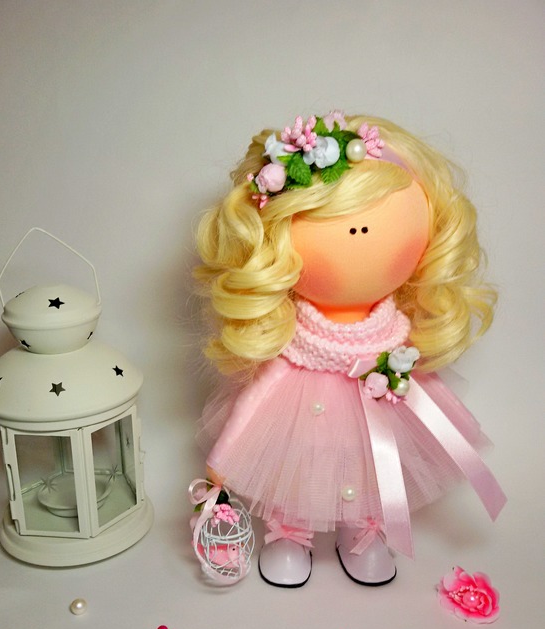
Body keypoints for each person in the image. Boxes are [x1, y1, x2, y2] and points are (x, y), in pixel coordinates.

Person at [195, 111, 505, 588]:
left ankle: (362, 530)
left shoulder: (395, 339)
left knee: (370, 468)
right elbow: (261, 393)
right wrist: (227, 452)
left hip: (377, 408)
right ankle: (290, 532)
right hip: (299, 409)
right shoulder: (298, 343)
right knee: (295, 469)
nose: (360, 235)